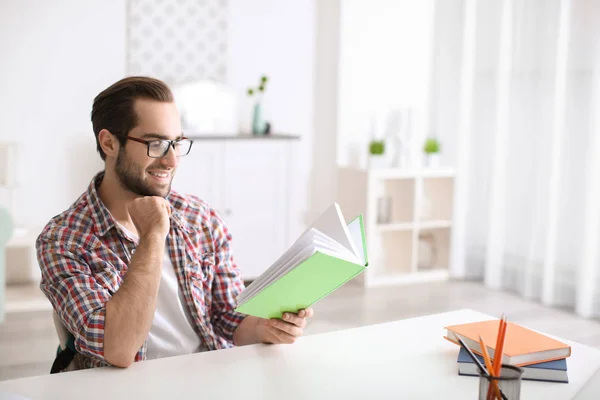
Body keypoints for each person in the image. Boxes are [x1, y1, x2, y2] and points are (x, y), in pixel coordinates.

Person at [36, 76, 313, 371]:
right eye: (156, 143)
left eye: (177, 143)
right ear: (109, 143)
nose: (172, 161)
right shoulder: (63, 240)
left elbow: (228, 318)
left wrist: (264, 327)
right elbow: (117, 349)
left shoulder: (200, 218)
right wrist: (153, 235)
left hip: (207, 380)